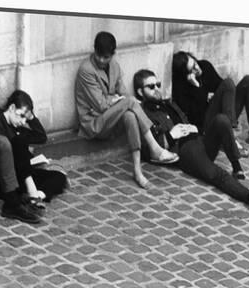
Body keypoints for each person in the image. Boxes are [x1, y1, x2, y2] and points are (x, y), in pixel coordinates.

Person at [133, 69, 249, 210]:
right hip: (185, 150)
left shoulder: (168, 104)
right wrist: (172, 135)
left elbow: (188, 118)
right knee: (216, 174)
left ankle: (236, 166)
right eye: (151, 86)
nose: (156, 89)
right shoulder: (144, 114)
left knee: (222, 120)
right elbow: (150, 151)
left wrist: (194, 127)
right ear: (140, 92)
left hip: (200, 140)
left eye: (158, 84)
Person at [75, 31, 179, 189]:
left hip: (111, 119)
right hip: (94, 123)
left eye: (106, 57)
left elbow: (122, 92)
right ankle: (155, 148)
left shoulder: (115, 66)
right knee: (130, 102)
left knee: (130, 115)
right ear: (94, 50)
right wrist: (119, 100)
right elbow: (101, 105)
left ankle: (138, 172)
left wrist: (120, 99)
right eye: (99, 55)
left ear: (112, 54)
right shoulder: (86, 70)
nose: (102, 60)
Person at [0, 90, 67, 221]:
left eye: (25, 119)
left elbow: (41, 137)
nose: (22, 121)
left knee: (59, 177)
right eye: (21, 116)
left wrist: (30, 117)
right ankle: (30, 193)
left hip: (19, 173)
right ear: (12, 107)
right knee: (17, 142)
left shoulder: (17, 127)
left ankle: (37, 196)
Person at [172, 52, 249, 171]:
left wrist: (213, 97)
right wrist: (197, 86)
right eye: (192, 70)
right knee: (228, 84)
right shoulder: (181, 87)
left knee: (248, 81)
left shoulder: (205, 65)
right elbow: (197, 116)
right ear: (186, 75)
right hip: (209, 122)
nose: (197, 68)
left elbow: (224, 88)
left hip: (224, 111)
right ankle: (230, 137)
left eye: (194, 63)